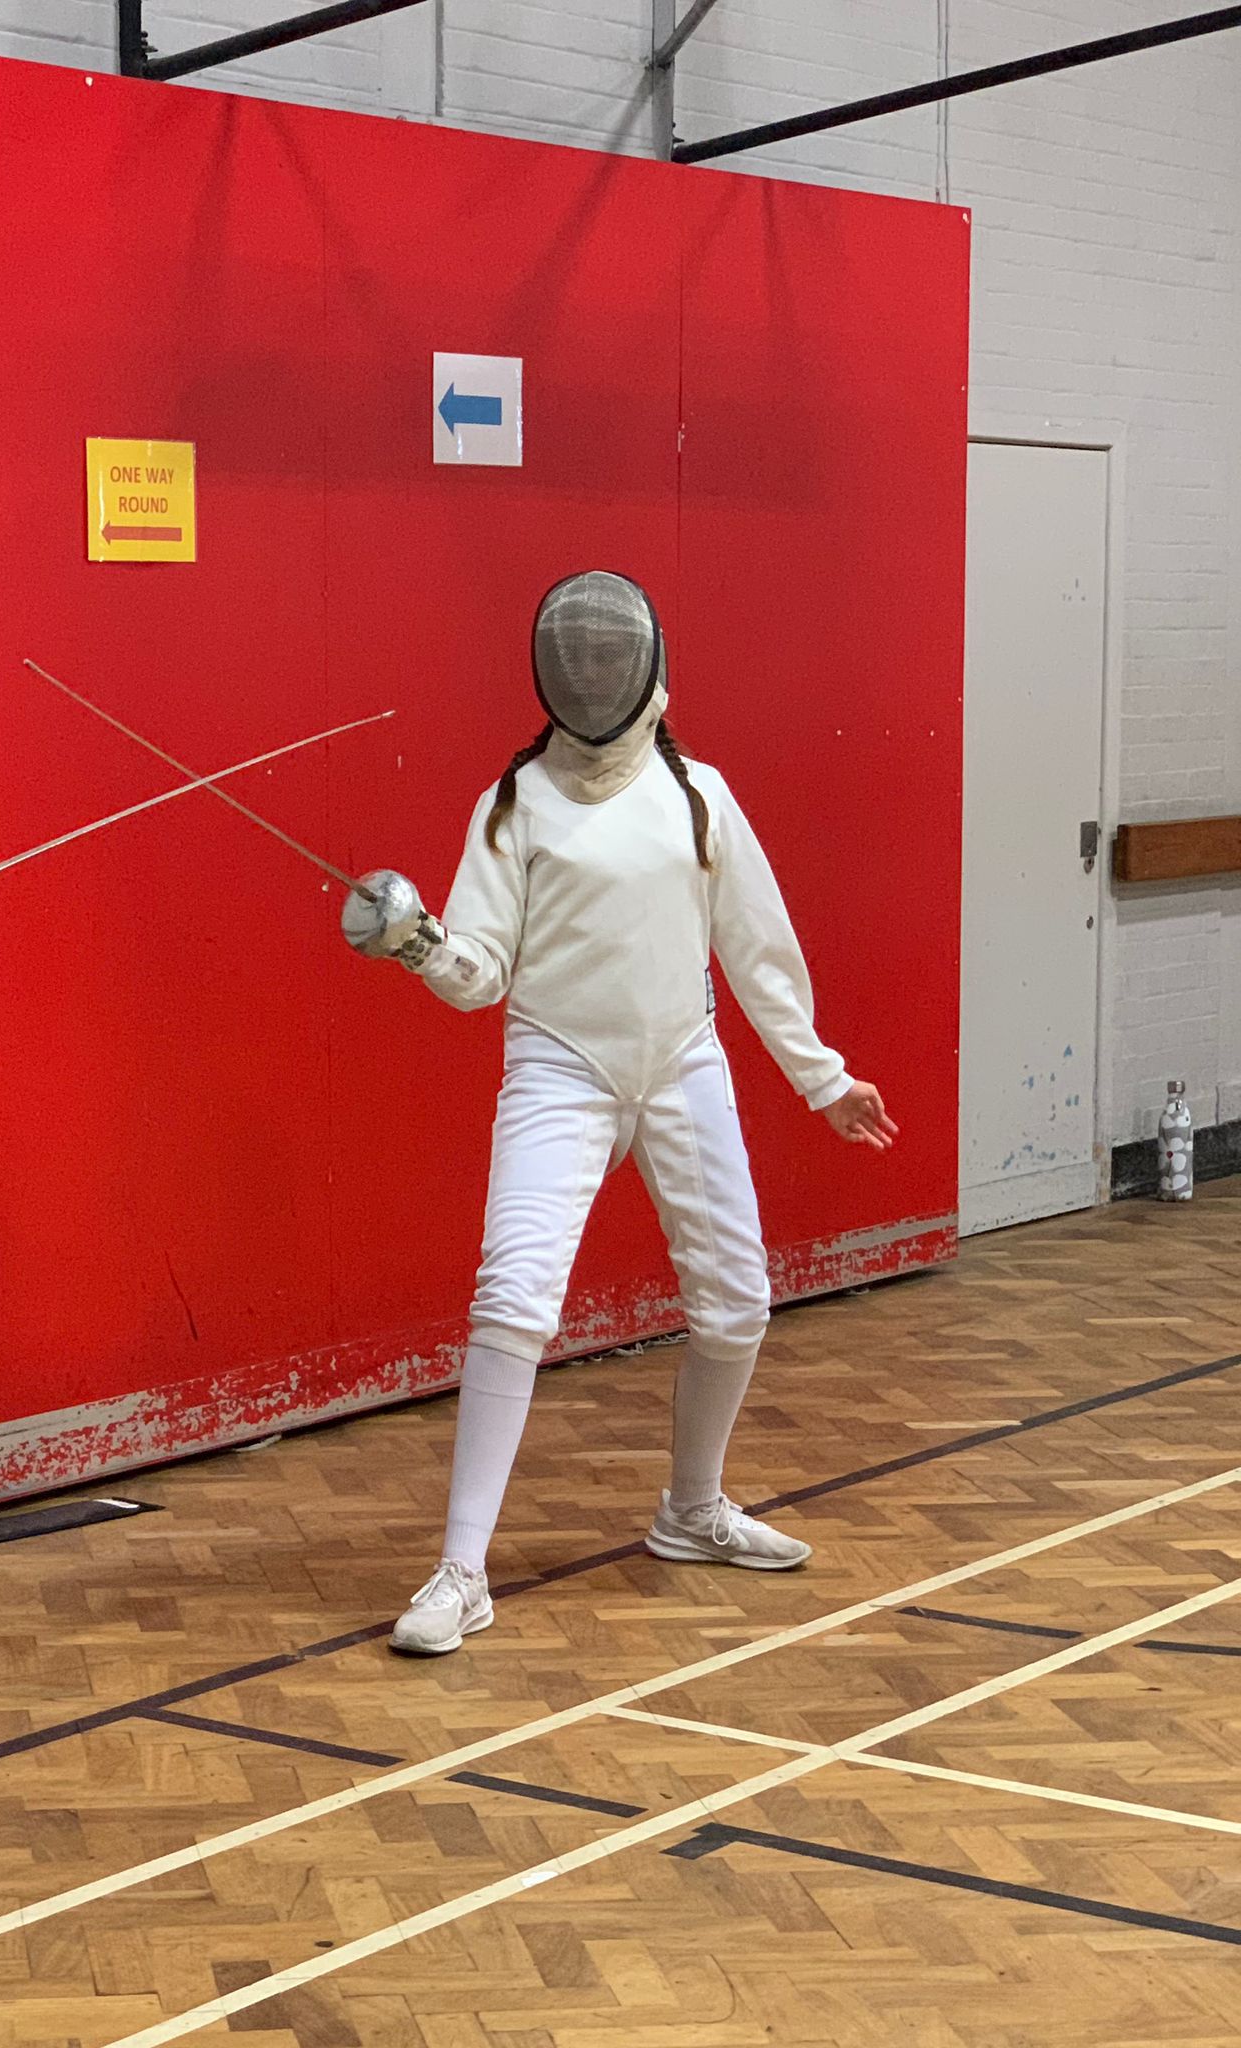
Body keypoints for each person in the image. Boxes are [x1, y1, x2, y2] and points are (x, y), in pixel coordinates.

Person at [342, 570, 897, 1657]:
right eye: (575, 657)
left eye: (607, 655)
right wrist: (417, 943)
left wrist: (820, 1077)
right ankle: (461, 1570)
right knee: (512, 1296)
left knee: (736, 1303)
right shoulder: (512, 807)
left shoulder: (698, 797)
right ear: (552, 677)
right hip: (558, 1065)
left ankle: (691, 1512)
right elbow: (478, 973)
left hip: (681, 1059)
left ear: (640, 669)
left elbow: (756, 947)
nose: (591, 673)